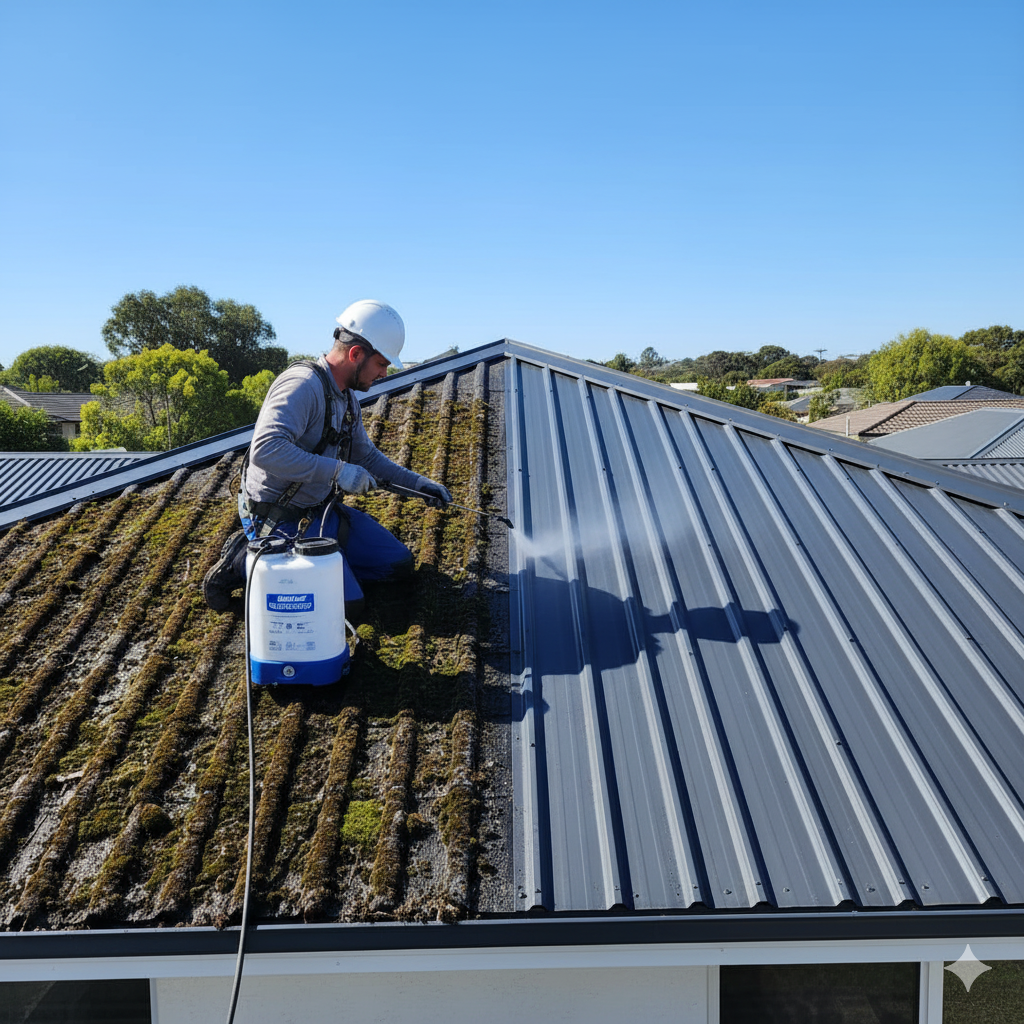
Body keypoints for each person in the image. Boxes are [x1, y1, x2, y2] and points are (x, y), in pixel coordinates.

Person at [203, 299, 450, 617]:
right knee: (347, 606)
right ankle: (244, 560)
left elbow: (368, 459)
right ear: (356, 354)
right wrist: (337, 472)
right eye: (381, 364)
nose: (383, 374)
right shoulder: (301, 386)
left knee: (397, 565)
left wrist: (419, 485)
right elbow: (266, 449)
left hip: (319, 513)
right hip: (277, 517)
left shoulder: (347, 400)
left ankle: (328, 563)